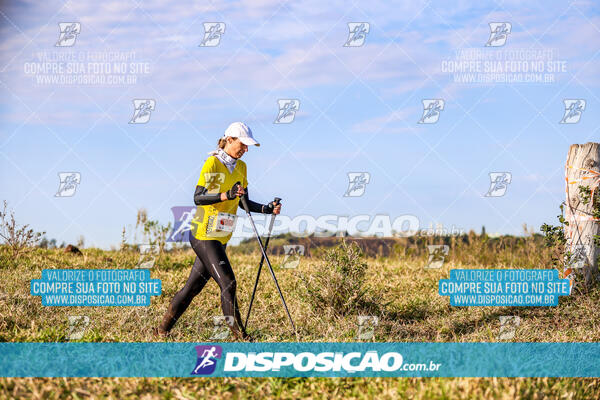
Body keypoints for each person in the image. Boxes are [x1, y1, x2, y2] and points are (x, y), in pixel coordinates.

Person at [155, 122, 281, 340]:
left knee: (191, 289)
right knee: (228, 283)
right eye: (243, 144)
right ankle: (240, 337)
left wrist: (267, 209)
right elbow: (198, 197)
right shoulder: (213, 163)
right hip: (204, 234)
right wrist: (226, 194)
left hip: (221, 236)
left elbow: (244, 202)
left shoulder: (241, 168)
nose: (246, 150)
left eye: (248, 146)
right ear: (230, 139)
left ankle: (161, 330)